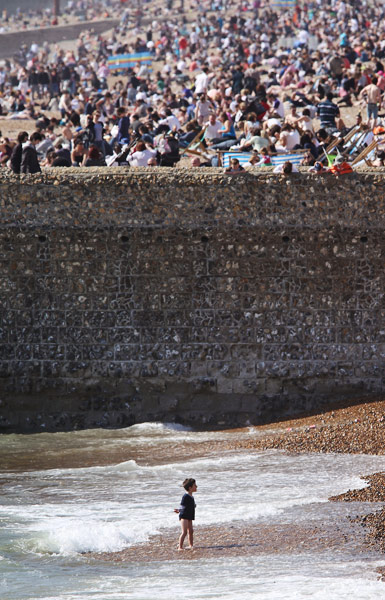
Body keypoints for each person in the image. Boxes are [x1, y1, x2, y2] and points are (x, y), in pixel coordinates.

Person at [174, 478, 197, 551]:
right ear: (190, 488)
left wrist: (194, 506)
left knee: (191, 531)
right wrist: (179, 510)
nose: (196, 486)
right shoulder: (185, 496)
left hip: (189, 515)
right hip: (184, 516)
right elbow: (182, 505)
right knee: (184, 532)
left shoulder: (191, 497)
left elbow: (190, 505)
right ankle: (180, 547)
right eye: (195, 485)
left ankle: (191, 545)